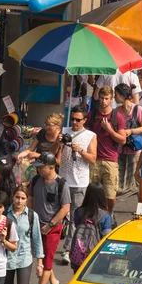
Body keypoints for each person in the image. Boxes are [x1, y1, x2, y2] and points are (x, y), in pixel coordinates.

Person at [28, 152, 71, 284]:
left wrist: (50, 225)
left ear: (51, 167)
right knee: (44, 258)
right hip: (37, 227)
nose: (38, 170)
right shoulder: (36, 181)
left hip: (52, 229)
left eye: (41, 167)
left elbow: (65, 208)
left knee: (46, 263)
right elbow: (30, 198)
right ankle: (54, 283)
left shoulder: (62, 184)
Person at [57, 105, 97, 265]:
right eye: (72, 119)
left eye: (78, 120)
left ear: (84, 120)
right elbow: (56, 154)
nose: (74, 122)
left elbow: (93, 159)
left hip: (79, 183)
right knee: (60, 215)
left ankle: (68, 249)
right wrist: (59, 143)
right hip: (63, 180)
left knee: (75, 217)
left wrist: (80, 150)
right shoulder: (65, 131)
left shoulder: (90, 135)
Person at [2, 186, 44, 284]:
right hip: (7, 258)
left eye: (23, 198)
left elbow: (37, 239)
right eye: (17, 197)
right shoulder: (5, 214)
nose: (19, 201)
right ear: (13, 197)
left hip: (24, 258)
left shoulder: (32, 215)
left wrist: (40, 263)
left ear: (27, 200)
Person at [85, 86, 127, 214]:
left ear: (111, 99)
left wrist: (109, 129)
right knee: (91, 193)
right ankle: (93, 215)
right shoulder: (91, 115)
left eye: (106, 99)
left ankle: (109, 215)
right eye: (102, 98)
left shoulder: (117, 116)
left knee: (110, 195)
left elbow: (122, 140)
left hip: (110, 160)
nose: (103, 101)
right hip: (94, 160)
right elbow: (84, 134)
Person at [114, 84, 142, 194]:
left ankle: (138, 204)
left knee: (133, 178)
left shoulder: (138, 109)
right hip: (120, 148)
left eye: (116, 95)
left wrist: (131, 131)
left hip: (134, 148)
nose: (114, 97)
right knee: (118, 178)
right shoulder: (116, 111)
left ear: (123, 96)